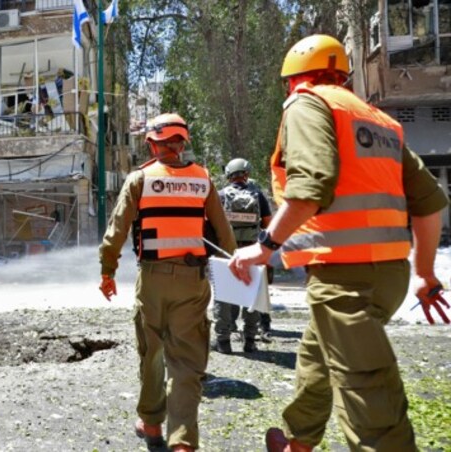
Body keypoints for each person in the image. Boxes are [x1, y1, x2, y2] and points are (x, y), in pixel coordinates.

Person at [228, 34, 449, 452]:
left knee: (372, 402)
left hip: (344, 278)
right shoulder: (377, 120)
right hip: (389, 275)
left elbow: (311, 186)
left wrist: (265, 246)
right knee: (317, 355)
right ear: (343, 76)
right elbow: (430, 202)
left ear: (293, 80)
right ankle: (299, 440)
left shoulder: (307, 103)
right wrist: (423, 274)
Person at [98, 113, 237, 451]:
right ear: (182, 143)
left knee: (151, 354)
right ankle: (183, 442)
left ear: (152, 143)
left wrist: (107, 272)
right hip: (193, 282)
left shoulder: (140, 179)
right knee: (187, 364)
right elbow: (225, 237)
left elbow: (115, 233)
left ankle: (151, 424)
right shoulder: (203, 179)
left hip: (153, 280)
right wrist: (236, 271)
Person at [212, 158, 273, 354]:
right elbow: (268, 225)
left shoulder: (220, 196)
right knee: (251, 296)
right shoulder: (258, 196)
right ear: (246, 174)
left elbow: (212, 223)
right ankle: (250, 341)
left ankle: (223, 342)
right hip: (252, 252)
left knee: (223, 296)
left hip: (226, 251)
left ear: (229, 175)